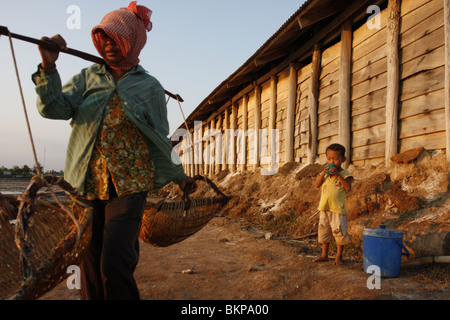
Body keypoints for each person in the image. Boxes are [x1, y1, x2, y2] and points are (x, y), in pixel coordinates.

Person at [32, 1, 197, 299]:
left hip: (130, 186)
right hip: (86, 183)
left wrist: (179, 175)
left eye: (116, 37)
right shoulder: (87, 78)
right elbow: (53, 108)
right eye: (103, 37)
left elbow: (161, 139)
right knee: (88, 263)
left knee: (115, 262)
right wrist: (48, 65)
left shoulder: (150, 87)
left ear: (133, 41)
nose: (108, 45)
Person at [312, 143, 353, 266]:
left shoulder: (345, 174)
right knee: (324, 232)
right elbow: (317, 185)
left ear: (343, 160)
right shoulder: (325, 175)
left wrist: (338, 175)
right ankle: (324, 255)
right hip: (324, 208)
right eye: (329, 159)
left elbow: (348, 187)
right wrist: (323, 173)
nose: (332, 161)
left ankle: (338, 256)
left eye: (335, 159)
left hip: (337, 210)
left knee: (339, 233)